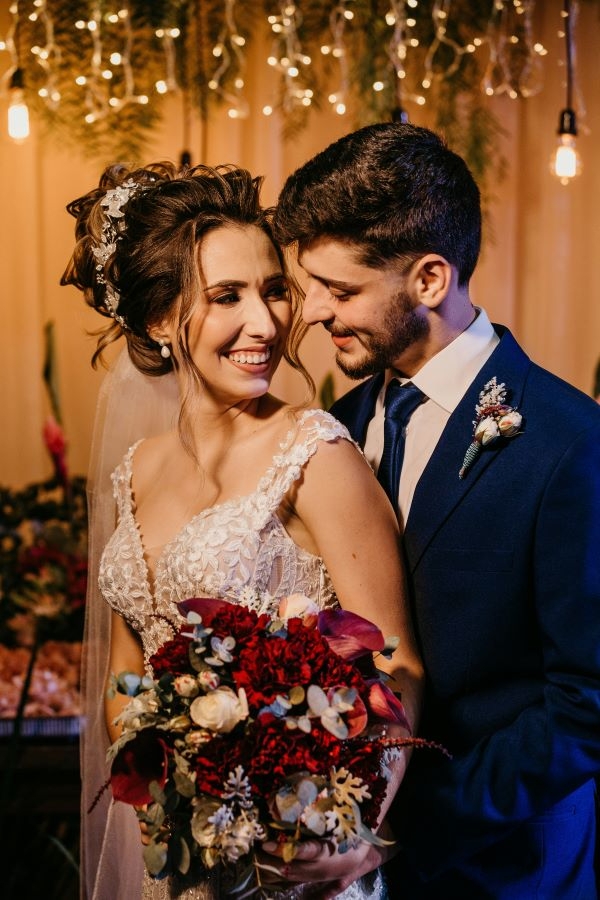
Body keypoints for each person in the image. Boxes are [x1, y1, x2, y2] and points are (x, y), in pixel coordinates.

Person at [61, 161, 423, 900]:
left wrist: (351, 836)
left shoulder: (315, 454)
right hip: (185, 859)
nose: (266, 322)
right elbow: (124, 677)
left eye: (274, 289)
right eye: (227, 296)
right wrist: (166, 803)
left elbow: (399, 668)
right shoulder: (133, 471)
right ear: (160, 318)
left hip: (300, 859)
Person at [272, 123, 600, 899]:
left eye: (341, 290)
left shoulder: (569, 440)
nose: (311, 310)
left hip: (506, 869)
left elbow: (585, 706)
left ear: (428, 279)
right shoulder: (334, 425)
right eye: (310, 283)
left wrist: (394, 823)